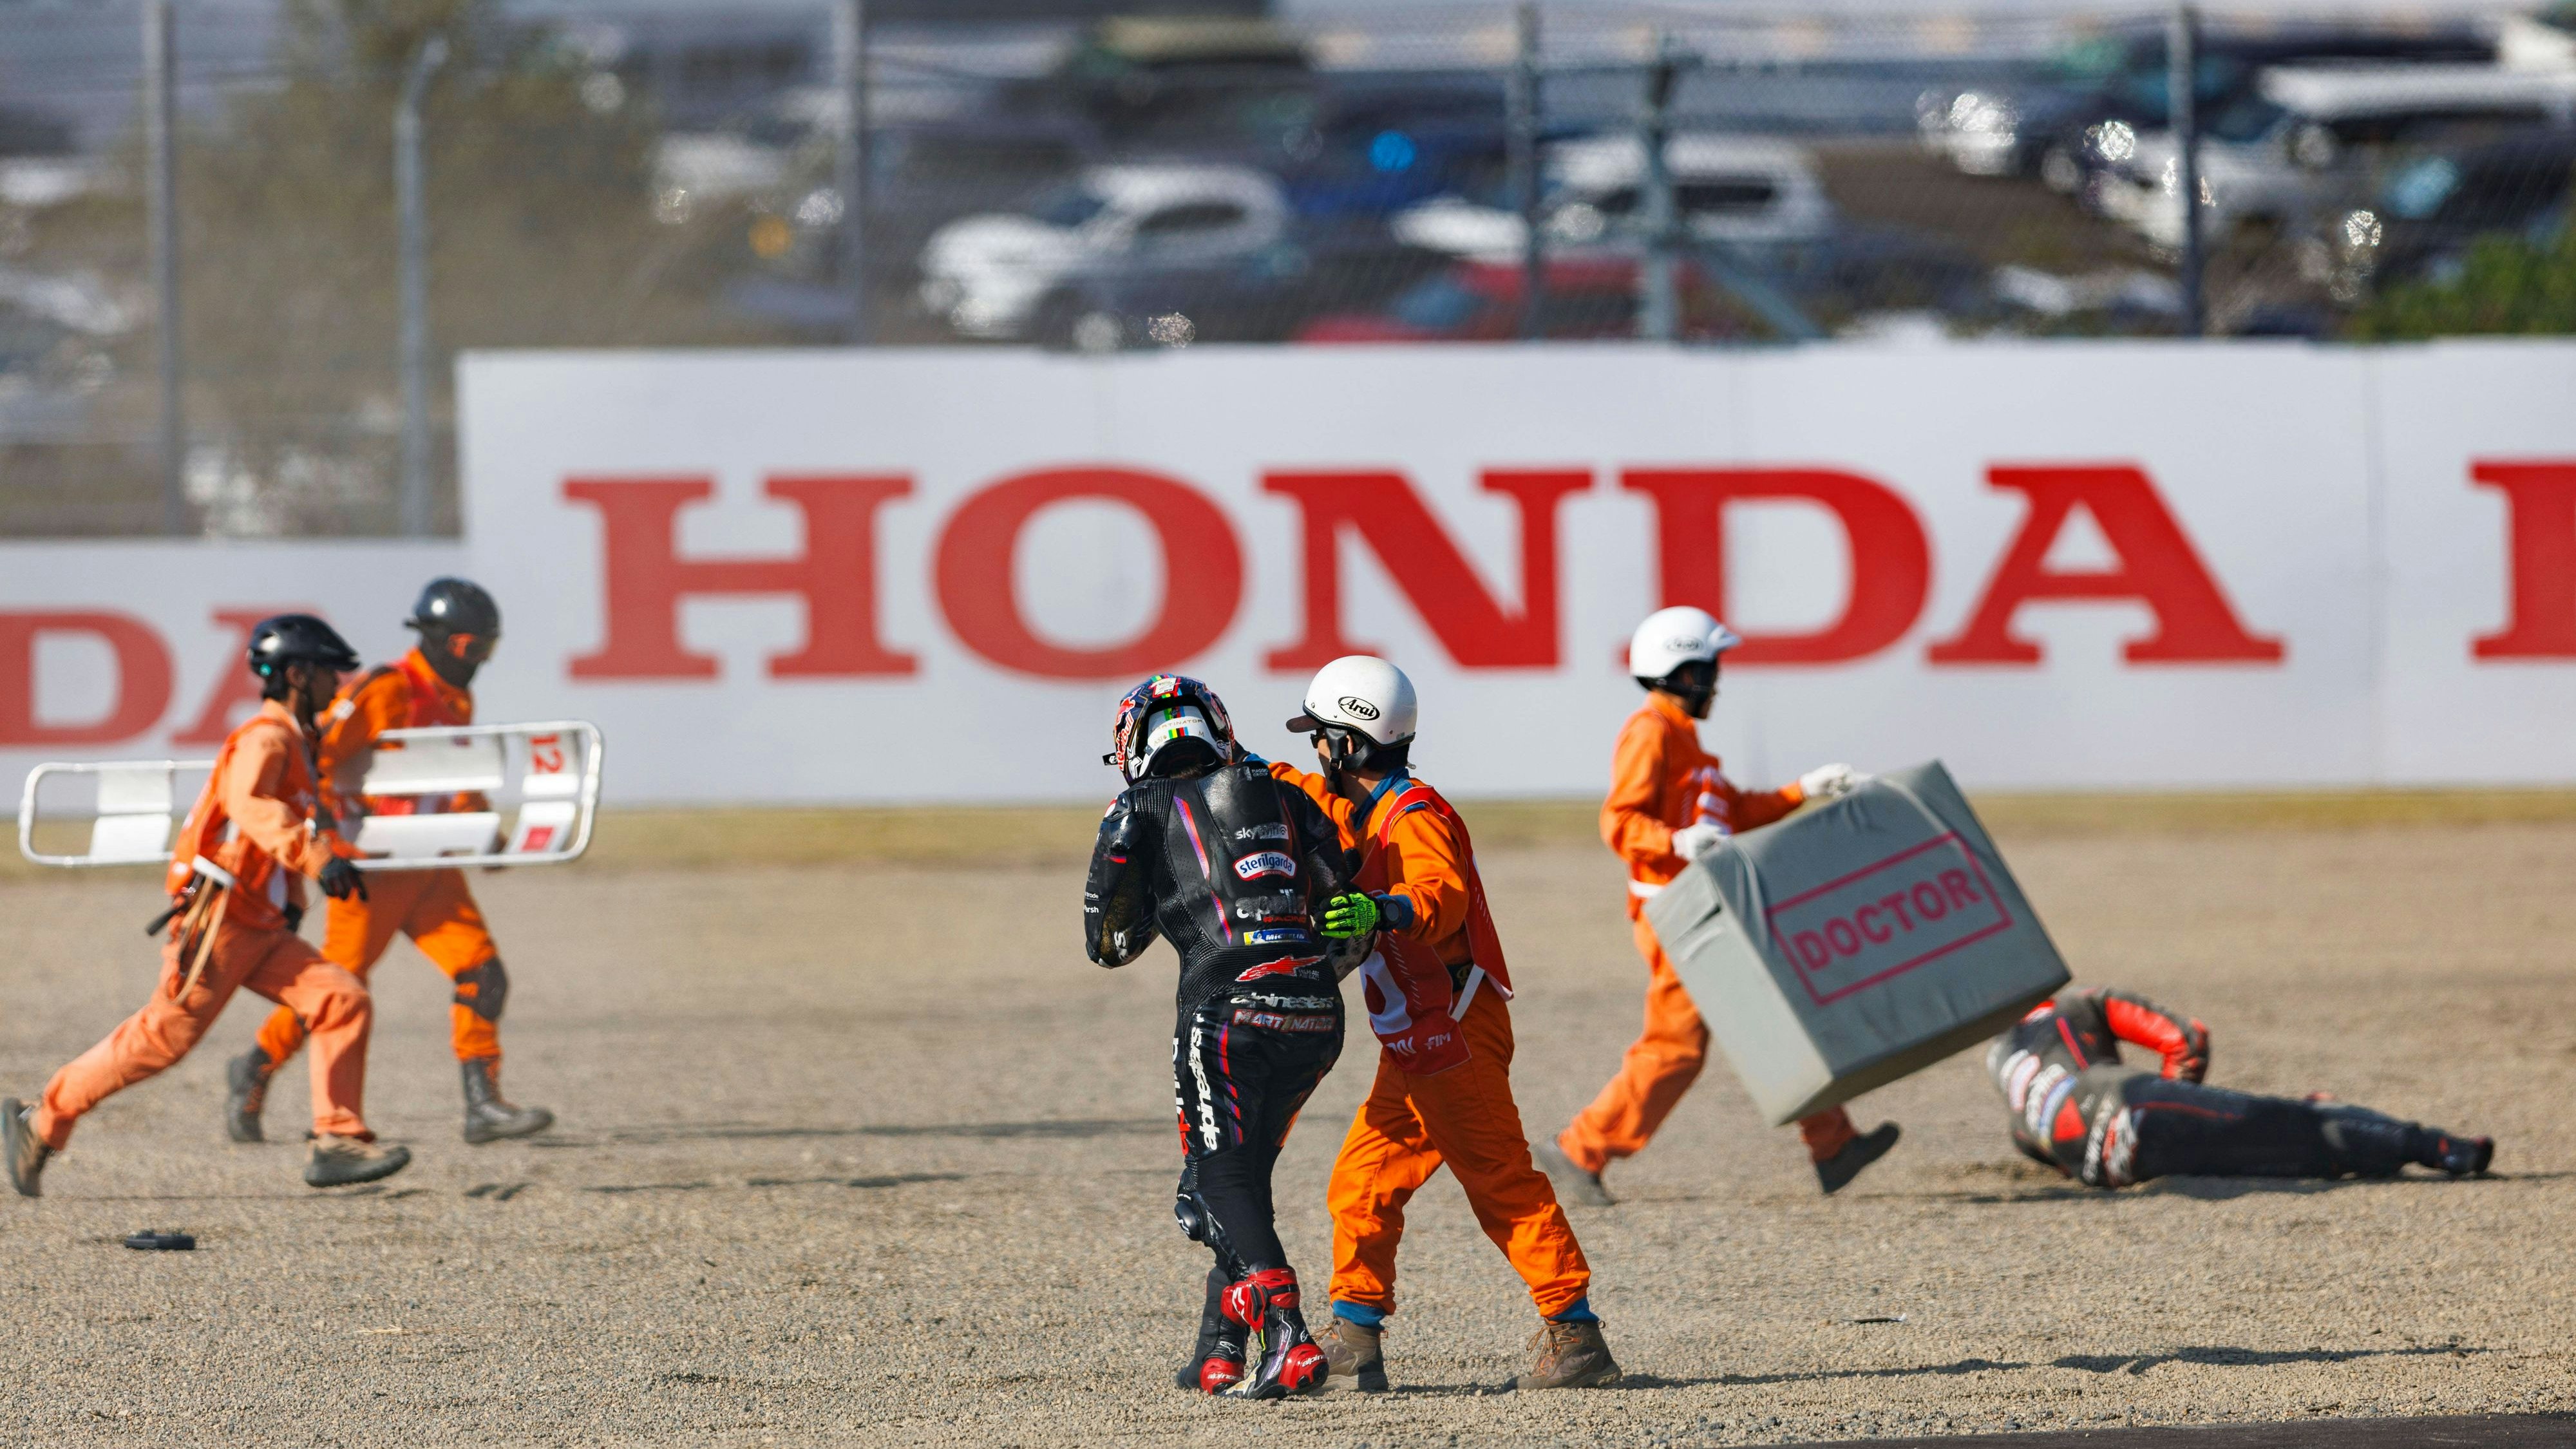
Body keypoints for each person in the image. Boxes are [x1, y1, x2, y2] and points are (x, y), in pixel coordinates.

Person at [1264, 656, 1618, 1394]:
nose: (1314, 750)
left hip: (1454, 1033)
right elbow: (1296, 790)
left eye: (1319, 736)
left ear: (1348, 743)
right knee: (1362, 1181)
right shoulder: (1357, 806)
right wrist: (1224, 759)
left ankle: (1576, 1334)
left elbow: (1441, 897)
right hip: (1418, 1034)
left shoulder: (1415, 815)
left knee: (1500, 1181)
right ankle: (1356, 1334)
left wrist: (1382, 909)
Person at [6, 615, 412, 1197]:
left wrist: (292, 899)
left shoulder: (296, 743)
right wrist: (318, 860)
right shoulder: (265, 738)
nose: (338, 684)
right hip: (220, 921)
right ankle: (42, 1121)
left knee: (341, 999)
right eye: (329, 672)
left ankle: (337, 1140)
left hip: (260, 924)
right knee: (161, 1041)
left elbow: (266, 832)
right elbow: (250, 806)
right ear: (298, 675)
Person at [1539, 606, 1897, 1206]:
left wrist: (1803, 790)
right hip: (1677, 916)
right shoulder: (1650, 731)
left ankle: (1833, 1144)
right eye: (1708, 669)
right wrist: (1675, 842)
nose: (1715, 682)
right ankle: (1579, 1151)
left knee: (1774, 1017)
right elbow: (1619, 820)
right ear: (1680, 672)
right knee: (1675, 1048)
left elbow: (1736, 810)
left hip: (1702, 910)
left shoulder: (1683, 738)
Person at [1082, 674, 1359, 1399]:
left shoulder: (1136, 807)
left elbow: (1108, 945)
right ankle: (1220, 1348)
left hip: (1225, 1012)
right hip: (1318, 1014)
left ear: (1132, 745)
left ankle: (1288, 1336)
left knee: (1212, 1185)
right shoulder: (1289, 795)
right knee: (1242, 1179)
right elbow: (1347, 917)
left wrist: (1154, 883)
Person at [224, 578, 553, 1146]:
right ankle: (257, 1064)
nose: (479, 661)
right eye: (472, 647)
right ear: (440, 640)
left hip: (429, 868)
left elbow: (452, 775)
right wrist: (326, 836)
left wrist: (479, 827)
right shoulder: (387, 688)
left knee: (483, 973)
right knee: (334, 990)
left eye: (487, 649)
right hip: (370, 871)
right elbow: (316, 755)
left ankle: (483, 1106)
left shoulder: (457, 699)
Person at [1990, 985, 2494, 1187]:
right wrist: (2183, 1101)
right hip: (2141, 1108)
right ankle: (2439, 1147)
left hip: (2110, 1167)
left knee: (2281, 1154)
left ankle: (2363, 1140)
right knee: (2300, 1128)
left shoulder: (2000, 1061)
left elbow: (2040, 1147)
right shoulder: (2075, 1005)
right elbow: (2188, 1040)